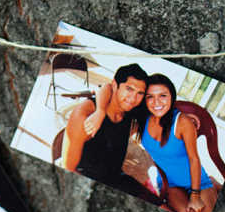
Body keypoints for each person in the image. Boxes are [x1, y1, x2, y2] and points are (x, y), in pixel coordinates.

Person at [84, 73, 219, 212]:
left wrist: (195, 195)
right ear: (144, 99)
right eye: (150, 97)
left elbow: (194, 159)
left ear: (171, 97)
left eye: (163, 96)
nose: (157, 102)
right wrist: (100, 111)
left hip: (198, 182)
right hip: (170, 184)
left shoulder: (182, 122)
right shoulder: (142, 119)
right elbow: (106, 87)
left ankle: (212, 183)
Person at [65, 63, 160, 203]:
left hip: (118, 179)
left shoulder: (130, 111)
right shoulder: (86, 115)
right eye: (129, 89)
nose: (133, 98)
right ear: (115, 85)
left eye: (139, 93)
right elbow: (69, 168)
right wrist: (100, 112)